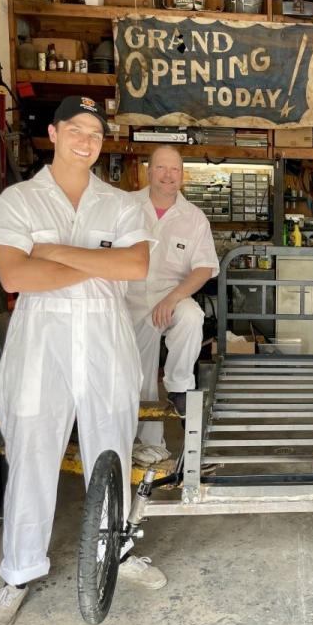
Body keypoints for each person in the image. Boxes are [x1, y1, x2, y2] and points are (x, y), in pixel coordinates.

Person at [0, 96, 167, 625]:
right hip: (41, 338)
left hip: (105, 334)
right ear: (55, 134)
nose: (87, 140)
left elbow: (133, 265)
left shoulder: (120, 204)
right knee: (33, 447)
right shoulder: (20, 199)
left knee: (112, 443)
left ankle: (119, 552)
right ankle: (18, 573)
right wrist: (91, 264)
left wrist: (54, 252)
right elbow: (15, 278)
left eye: (97, 133)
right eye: (77, 129)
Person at [126, 145, 219, 466]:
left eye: (175, 170)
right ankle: (152, 446)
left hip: (171, 296)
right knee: (139, 377)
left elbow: (204, 268)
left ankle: (179, 386)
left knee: (192, 316)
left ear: (182, 176)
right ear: (148, 171)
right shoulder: (124, 206)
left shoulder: (193, 218)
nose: (168, 175)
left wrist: (173, 297)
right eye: (161, 168)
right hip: (128, 300)